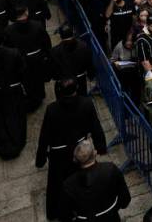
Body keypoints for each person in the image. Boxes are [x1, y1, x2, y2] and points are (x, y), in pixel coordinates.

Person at [36, 79, 108, 221]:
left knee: (59, 185)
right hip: (81, 151)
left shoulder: (52, 109)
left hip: (59, 155)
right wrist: (101, 147)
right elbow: (96, 127)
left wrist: (41, 158)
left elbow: (44, 136)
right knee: (85, 182)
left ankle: (60, 212)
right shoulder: (86, 103)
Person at [62, 139, 132, 222]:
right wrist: (113, 208)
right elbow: (125, 197)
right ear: (95, 153)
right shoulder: (110, 169)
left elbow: (64, 213)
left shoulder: (68, 184)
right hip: (111, 217)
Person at [2, 4, 52, 112]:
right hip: (37, 59)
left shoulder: (8, 31)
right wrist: (47, 56)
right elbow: (46, 43)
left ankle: (31, 98)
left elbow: (7, 50)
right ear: (26, 13)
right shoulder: (37, 25)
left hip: (21, 61)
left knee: (27, 81)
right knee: (38, 79)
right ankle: (39, 96)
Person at [50, 25, 94, 96]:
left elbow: (53, 70)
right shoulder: (83, 46)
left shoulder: (54, 51)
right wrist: (91, 75)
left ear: (61, 35)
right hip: (80, 81)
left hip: (64, 84)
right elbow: (89, 63)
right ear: (73, 33)